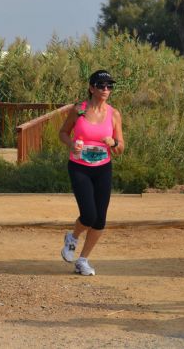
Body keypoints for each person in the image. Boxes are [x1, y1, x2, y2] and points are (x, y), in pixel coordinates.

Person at [58, 70, 125, 276]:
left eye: (109, 86)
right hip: (80, 167)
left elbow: (121, 147)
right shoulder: (79, 110)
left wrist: (113, 142)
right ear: (91, 88)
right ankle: (73, 237)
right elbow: (63, 133)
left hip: (103, 168)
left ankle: (83, 259)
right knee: (88, 215)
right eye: (101, 85)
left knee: (100, 220)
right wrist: (72, 145)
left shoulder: (114, 114)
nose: (106, 90)